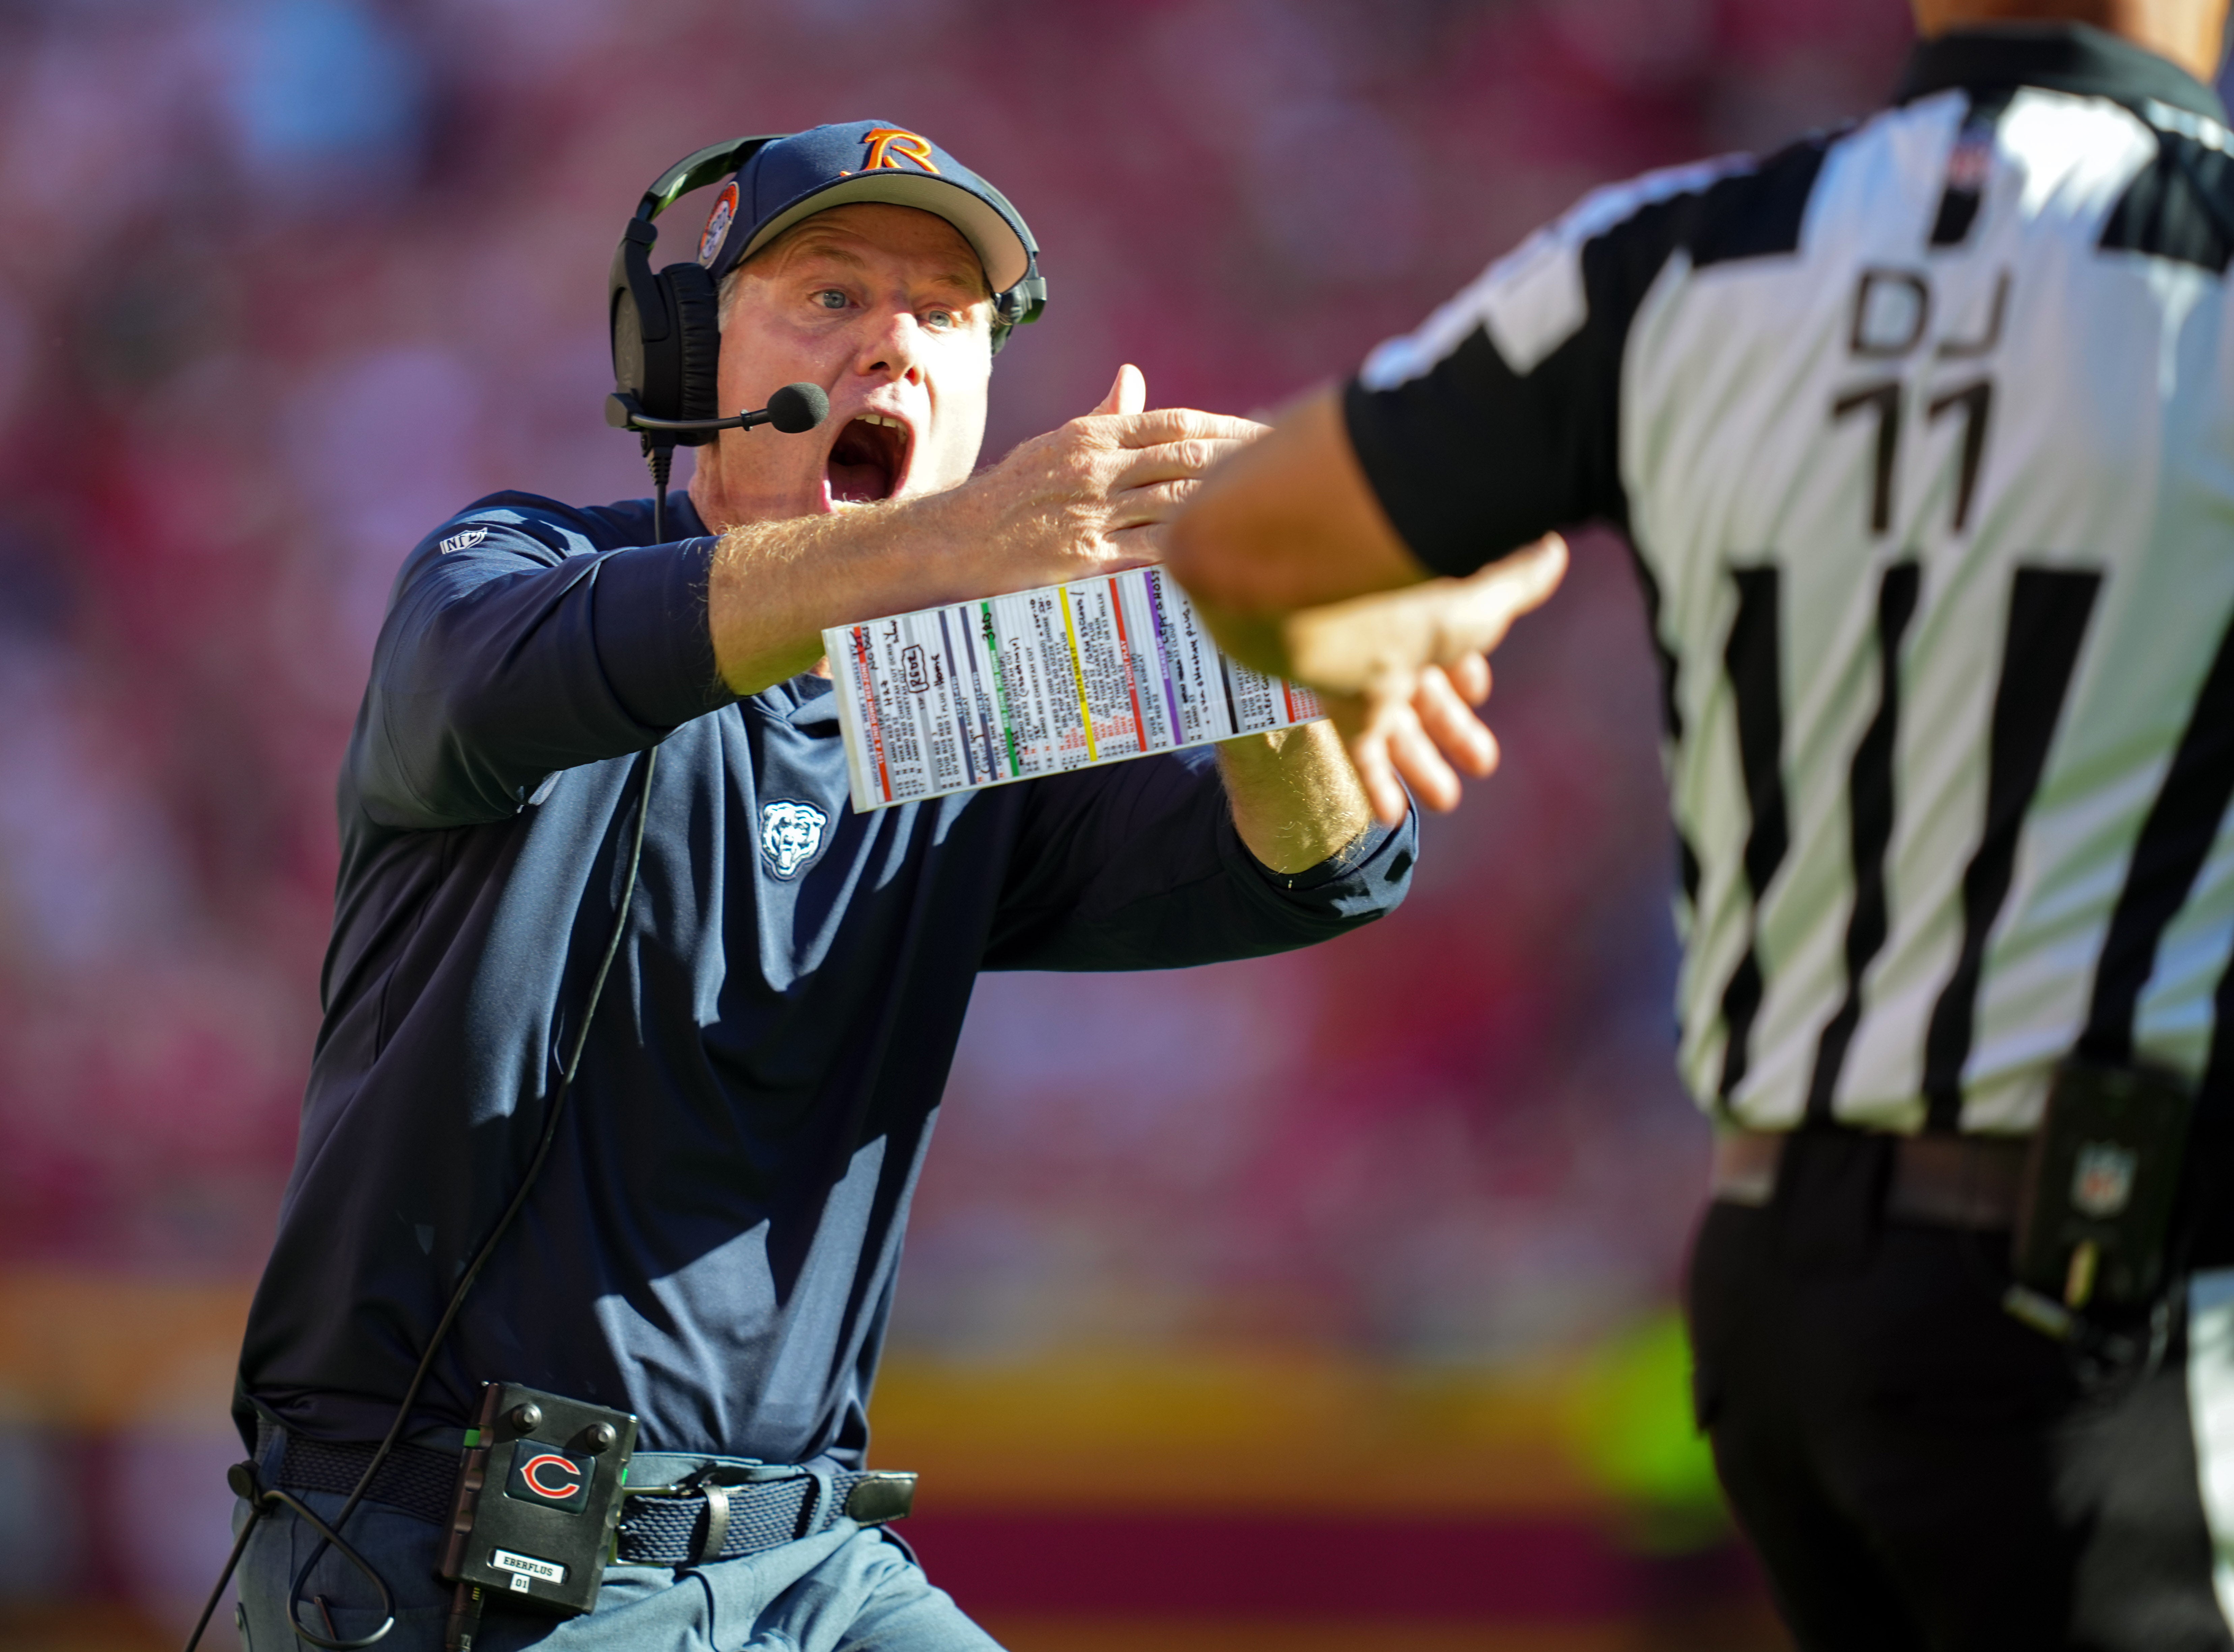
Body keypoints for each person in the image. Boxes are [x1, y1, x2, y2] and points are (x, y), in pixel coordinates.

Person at [225, 120, 1416, 1652]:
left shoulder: (970, 704)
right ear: (690, 359)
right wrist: (957, 550)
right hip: (468, 1556)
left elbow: (1322, 867)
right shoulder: (506, 569)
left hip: (811, 1566)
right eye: (832, 298)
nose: (895, 348)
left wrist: (1259, 656)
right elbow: (489, 689)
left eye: (945, 315)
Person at [1167, 5, 2234, 1648]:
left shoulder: (1678, 252)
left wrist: (1364, 652)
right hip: (2117, 1291)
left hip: (1775, 1288)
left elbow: (1239, 543)